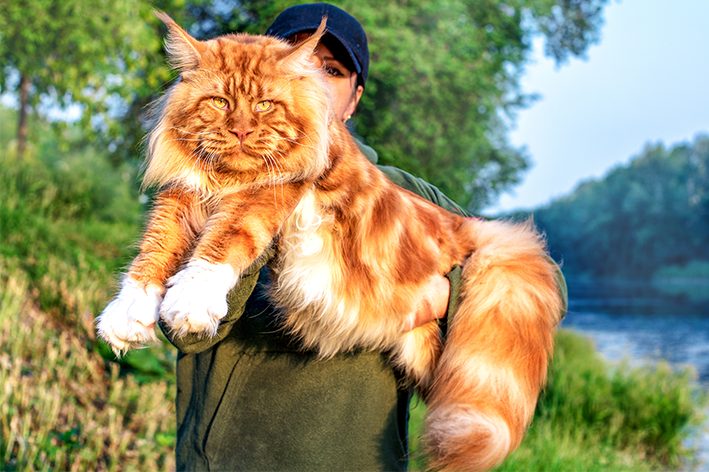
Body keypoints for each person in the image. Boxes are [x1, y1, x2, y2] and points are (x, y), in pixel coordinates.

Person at [159, 4, 482, 472]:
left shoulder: (404, 192)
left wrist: (436, 296)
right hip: (232, 459)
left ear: (353, 100)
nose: (312, 76)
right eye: (296, 62)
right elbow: (182, 331)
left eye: (331, 70)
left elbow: (539, 278)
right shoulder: (208, 173)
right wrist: (259, 215)